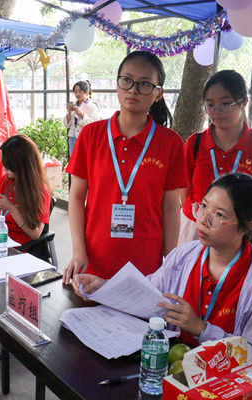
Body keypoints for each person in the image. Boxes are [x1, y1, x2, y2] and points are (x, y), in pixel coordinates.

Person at [74, 173, 252, 399]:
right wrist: (105, 286)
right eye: (204, 206)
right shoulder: (186, 256)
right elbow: (149, 293)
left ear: (247, 226)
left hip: (229, 389)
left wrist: (202, 329)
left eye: (219, 215)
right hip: (177, 375)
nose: (203, 220)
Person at [63, 51, 187, 283]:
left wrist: (170, 261)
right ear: (117, 84)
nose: (133, 90)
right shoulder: (91, 135)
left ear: (158, 93)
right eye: (127, 80)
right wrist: (79, 252)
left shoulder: (170, 143)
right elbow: (77, 198)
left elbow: (171, 207)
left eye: (145, 84)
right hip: (94, 261)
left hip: (146, 266)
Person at [179, 70, 252, 244]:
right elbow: (184, 193)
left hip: (238, 235)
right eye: (210, 105)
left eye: (225, 103)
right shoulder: (194, 144)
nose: (217, 111)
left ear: (244, 102)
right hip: (194, 230)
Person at [64, 80, 100, 157]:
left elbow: (94, 124)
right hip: (73, 137)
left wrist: (82, 114)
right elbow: (66, 124)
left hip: (85, 137)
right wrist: (69, 112)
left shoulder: (92, 106)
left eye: (80, 91)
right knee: (73, 158)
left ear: (87, 92)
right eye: (75, 92)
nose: (78, 94)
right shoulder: (73, 104)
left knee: (85, 158)